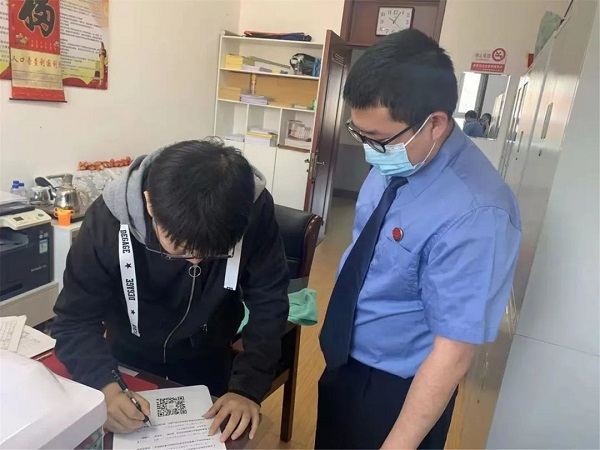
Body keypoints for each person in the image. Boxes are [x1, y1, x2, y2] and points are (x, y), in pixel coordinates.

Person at [317, 29, 521, 450]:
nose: (368, 150)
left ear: (435, 124)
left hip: (398, 389)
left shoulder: (478, 214)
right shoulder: (397, 159)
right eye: (360, 134)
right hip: (344, 357)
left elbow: (453, 353)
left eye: (378, 140)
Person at [52, 140, 289, 441]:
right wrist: (104, 386)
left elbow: (270, 301)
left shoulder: (250, 210)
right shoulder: (108, 220)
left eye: (213, 253)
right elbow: (74, 320)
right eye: (179, 249)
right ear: (149, 204)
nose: (195, 261)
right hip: (126, 357)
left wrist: (246, 388)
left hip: (210, 353)